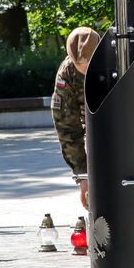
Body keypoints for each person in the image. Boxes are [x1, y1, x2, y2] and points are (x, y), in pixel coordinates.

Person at [51, 27, 100, 209]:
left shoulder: (118, 61)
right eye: (80, 65)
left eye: (90, 63)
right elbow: (67, 127)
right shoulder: (67, 74)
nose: (85, 69)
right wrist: (83, 176)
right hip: (93, 129)